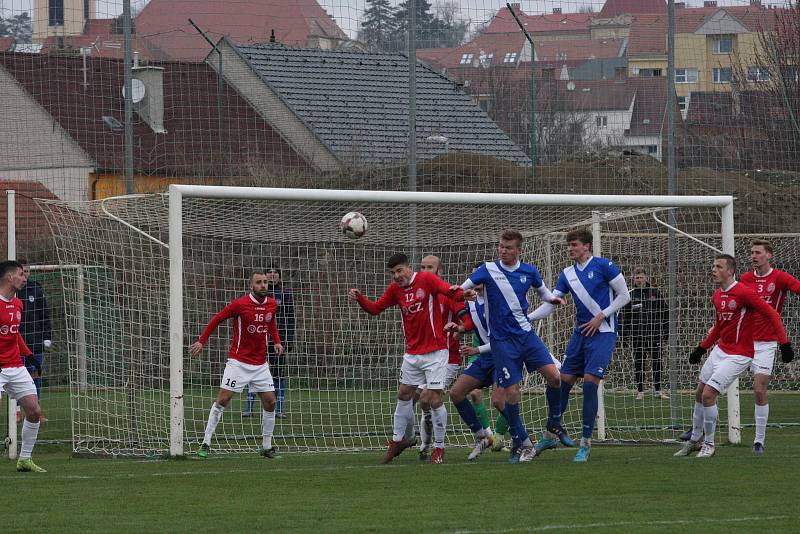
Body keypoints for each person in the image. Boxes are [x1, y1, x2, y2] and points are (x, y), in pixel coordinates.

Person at [458, 229, 568, 464]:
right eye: (501, 246)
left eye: (508, 248)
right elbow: (460, 288)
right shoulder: (487, 269)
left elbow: (544, 294)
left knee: (555, 377)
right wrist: (464, 293)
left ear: (519, 250)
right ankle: (523, 441)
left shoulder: (529, 271)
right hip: (502, 341)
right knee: (511, 392)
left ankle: (553, 424)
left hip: (526, 335)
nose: (503, 251)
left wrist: (554, 300)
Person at [349, 253, 464, 464]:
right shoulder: (396, 290)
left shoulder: (426, 280)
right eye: (392, 273)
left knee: (434, 399)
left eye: (399, 271)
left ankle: (439, 448)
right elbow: (376, 309)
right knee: (403, 394)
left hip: (436, 351)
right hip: (412, 353)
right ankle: (397, 440)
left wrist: (463, 294)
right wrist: (360, 299)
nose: (396, 276)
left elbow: (449, 291)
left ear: (409, 268)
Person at [674, 254, 793, 458]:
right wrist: (702, 348)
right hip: (721, 351)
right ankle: (695, 440)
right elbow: (720, 327)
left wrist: (784, 344)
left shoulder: (744, 293)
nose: (713, 269)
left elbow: (772, 313)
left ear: (730, 271)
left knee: (709, 395)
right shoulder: (717, 295)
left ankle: (709, 445)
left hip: (739, 354)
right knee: (699, 392)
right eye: (713, 266)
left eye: (718, 266)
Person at [528, 228, 630, 463]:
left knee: (589, 386)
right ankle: (550, 433)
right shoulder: (567, 274)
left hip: (603, 333)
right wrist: (529, 318)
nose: (570, 249)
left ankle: (585, 443)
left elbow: (624, 296)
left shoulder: (604, 266)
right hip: (580, 334)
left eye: (574, 245)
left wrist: (601, 316)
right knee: (560, 383)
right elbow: (552, 303)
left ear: (587, 246)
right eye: (569, 245)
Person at [190, 271, 283, 458]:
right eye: (259, 282)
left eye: (265, 282)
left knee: (271, 402)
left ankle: (266, 447)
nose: (263, 285)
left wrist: (277, 341)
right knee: (223, 400)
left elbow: (270, 321)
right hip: (238, 363)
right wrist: (202, 341)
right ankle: (206, 443)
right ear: (251, 286)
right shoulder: (240, 304)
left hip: (260, 364)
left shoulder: (272, 304)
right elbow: (217, 318)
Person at [414, 254, 468, 460]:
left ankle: (439, 447)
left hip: (447, 358)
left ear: (440, 271)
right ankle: (425, 443)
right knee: (420, 401)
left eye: (431, 267)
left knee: (430, 396)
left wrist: (459, 328)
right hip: (424, 357)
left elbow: (467, 319)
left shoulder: (448, 294)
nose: (426, 271)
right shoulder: (417, 295)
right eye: (423, 267)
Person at [0, 260, 46, 472]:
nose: (24, 278)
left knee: (34, 411)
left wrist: (29, 355)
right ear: (10, 278)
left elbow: (14, 333)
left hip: (15, 366)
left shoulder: (18, 303)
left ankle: (24, 459)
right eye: (21, 274)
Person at [444, 280, 498, 461]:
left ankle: (522, 441)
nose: (476, 290)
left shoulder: (499, 303)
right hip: (483, 357)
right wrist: (459, 328)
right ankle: (482, 436)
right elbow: (470, 325)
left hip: (502, 356)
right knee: (456, 393)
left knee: (501, 401)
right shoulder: (470, 304)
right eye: (474, 287)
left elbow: (503, 337)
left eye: (480, 286)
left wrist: (477, 349)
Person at [243, 266, 294, 419]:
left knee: (278, 375)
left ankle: (279, 409)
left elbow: (291, 319)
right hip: (258, 341)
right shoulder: (256, 295)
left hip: (279, 341)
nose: (272, 274)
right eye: (269, 272)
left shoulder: (285, 294)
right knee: (252, 373)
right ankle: (249, 408)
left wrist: (289, 339)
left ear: (279, 276)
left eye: (275, 272)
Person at [619, 267, 668, 400]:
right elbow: (624, 318)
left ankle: (659, 391)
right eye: (637, 277)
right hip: (637, 336)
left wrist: (666, 332)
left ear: (646, 278)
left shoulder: (655, 293)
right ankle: (640, 391)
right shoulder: (630, 295)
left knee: (657, 362)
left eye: (641, 277)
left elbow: (665, 312)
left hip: (654, 334)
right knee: (639, 363)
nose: (639, 280)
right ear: (633, 279)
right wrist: (624, 336)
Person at [15, 259, 52, 423]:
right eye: (22, 272)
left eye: (27, 272)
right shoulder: (12, 292)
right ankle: (16, 412)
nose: (25, 276)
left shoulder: (36, 290)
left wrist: (47, 337)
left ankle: (37, 411)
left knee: (35, 377)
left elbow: (45, 316)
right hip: (14, 345)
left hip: (35, 344)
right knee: (15, 379)